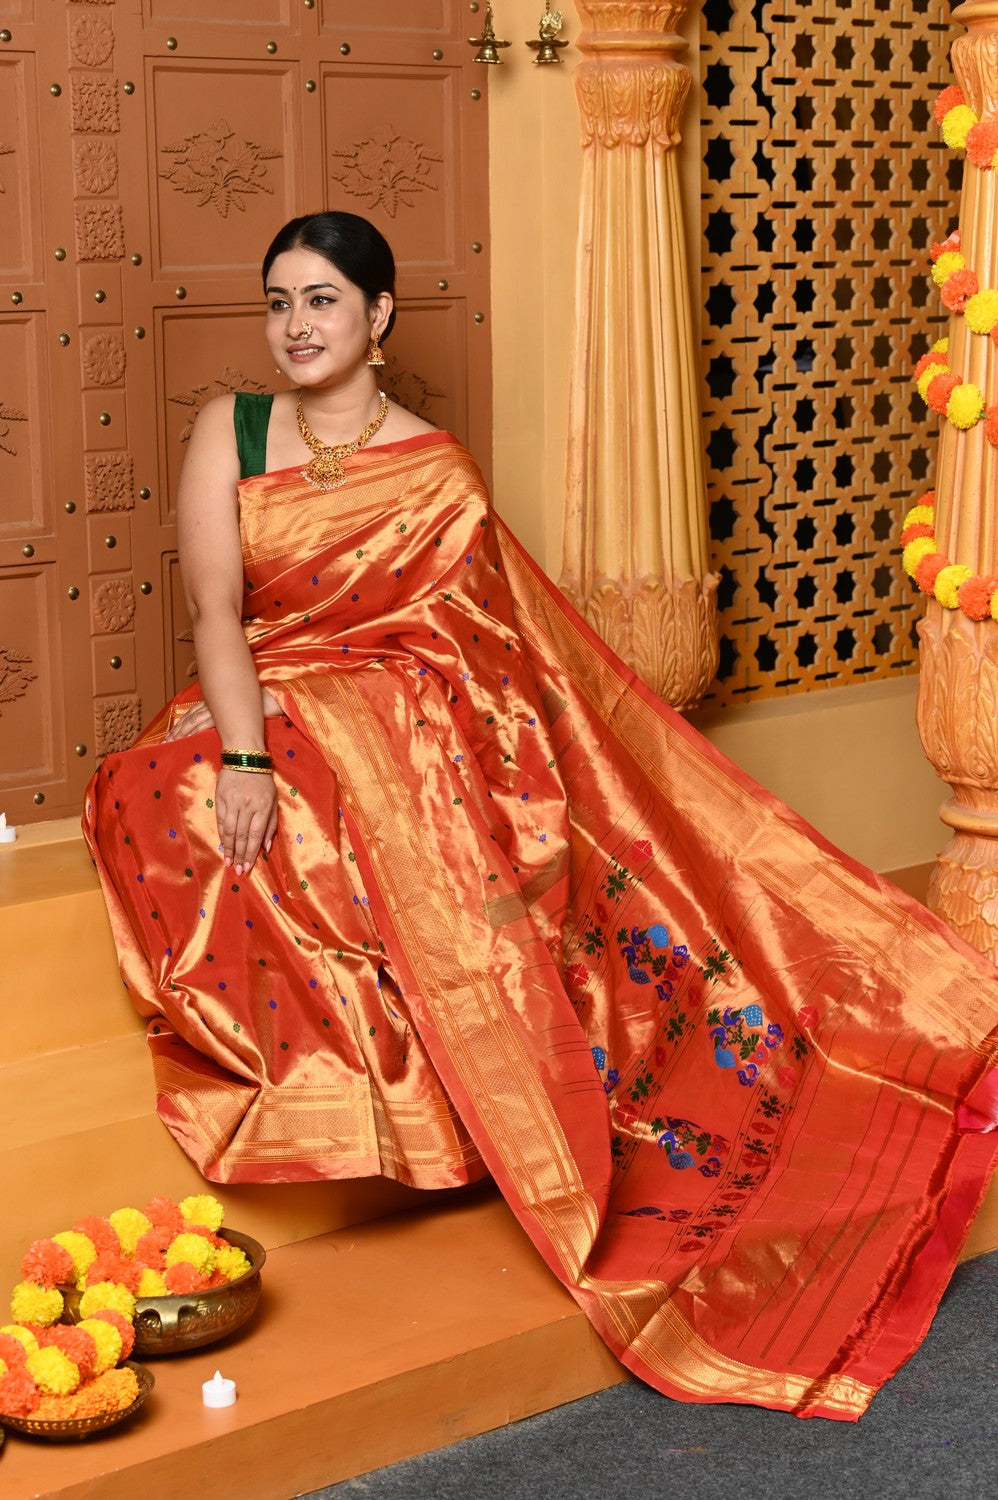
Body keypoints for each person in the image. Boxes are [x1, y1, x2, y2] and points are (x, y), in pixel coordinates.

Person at [84, 211, 998, 1422]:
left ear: (377, 315)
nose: (296, 326)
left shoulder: (435, 469)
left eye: (321, 300)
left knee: (387, 815)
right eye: (280, 302)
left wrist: (375, 720)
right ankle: (322, 1093)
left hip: (399, 708)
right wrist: (247, 749)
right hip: (260, 694)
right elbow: (215, 610)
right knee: (158, 794)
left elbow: (474, 654)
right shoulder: (233, 429)